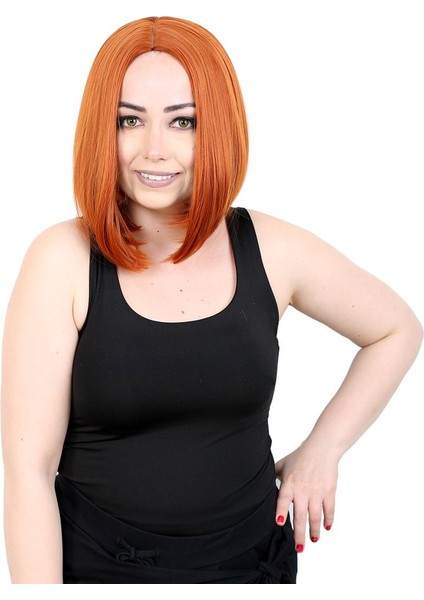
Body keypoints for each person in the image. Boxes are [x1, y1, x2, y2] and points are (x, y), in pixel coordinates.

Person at [1, 15, 422, 585]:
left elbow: (395, 329)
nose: (154, 150)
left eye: (184, 121)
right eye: (129, 120)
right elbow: (28, 472)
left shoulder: (272, 248)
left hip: (252, 567)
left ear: (216, 129)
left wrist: (323, 451)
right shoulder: (61, 258)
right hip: (101, 571)